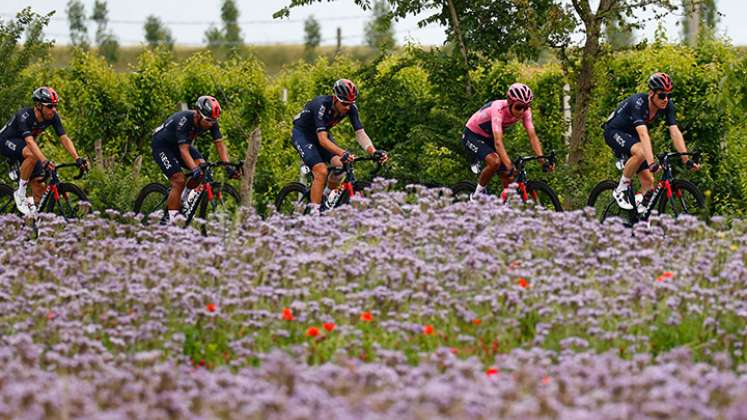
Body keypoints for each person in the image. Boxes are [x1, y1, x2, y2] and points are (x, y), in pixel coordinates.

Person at [604, 72, 700, 212]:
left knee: (649, 183)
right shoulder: (638, 103)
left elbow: (675, 132)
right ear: (651, 93)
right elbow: (643, 134)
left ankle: (639, 220)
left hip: (632, 136)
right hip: (614, 131)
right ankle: (621, 189)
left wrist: (686, 160)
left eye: (669, 95)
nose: (666, 99)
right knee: (641, 152)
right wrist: (651, 163)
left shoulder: (667, 105)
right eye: (662, 95)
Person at [291, 79, 388, 212]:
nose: (347, 107)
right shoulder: (322, 105)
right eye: (344, 103)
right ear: (335, 98)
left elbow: (360, 133)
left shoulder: (351, 108)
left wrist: (373, 151)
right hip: (304, 135)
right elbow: (323, 140)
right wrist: (343, 153)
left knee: (341, 165)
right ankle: (314, 214)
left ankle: (325, 197)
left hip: (323, 134)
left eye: (350, 103)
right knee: (321, 171)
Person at [150, 95, 239, 223]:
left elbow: (219, 144)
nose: (211, 124)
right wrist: (193, 168)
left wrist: (228, 166)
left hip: (180, 145)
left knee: (202, 168)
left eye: (214, 121)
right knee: (179, 180)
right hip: (162, 146)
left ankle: (183, 198)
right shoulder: (184, 120)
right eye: (208, 120)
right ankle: (170, 223)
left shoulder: (211, 120)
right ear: (198, 113)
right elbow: (184, 150)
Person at [0, 87, 88, 215]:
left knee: (40, 187)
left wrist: (77, 158)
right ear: (38, 105)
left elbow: (64, 138)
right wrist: (44, 161)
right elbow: (30, 142)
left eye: (55, 106)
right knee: (33, 154)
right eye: (50, 106)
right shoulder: (24, 116)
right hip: (5, 141)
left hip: (26, 146)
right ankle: (20, 194)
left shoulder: (53, 116)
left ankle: (29, 221)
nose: (54, 110)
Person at [462, 83, 553, 199]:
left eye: (526, 107)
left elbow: (532, 136)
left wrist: (542, 160)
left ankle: (503, 208)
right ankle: (476, 196)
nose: (522, 111)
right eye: (519, 107)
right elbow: (498, 142)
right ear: (510, 102)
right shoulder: (498, 108)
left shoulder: (525, 111)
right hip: (472, 135)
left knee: (509, 178)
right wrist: (509, 165)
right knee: (495, 162)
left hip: (489, 138)